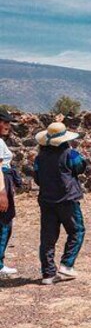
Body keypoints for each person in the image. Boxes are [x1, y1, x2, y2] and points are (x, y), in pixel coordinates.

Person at [33, 116, 88, 284]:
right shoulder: (70, 154)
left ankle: (48, 273)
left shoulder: (39, 157)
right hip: (67, 200)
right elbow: (81, 167)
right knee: (77, 231)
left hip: (47, 200)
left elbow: (37, 178)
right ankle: (66, 265)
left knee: (48, 238)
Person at [0, 108, 20, 278]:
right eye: (5, 122)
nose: (8, 125)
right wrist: (2, 192)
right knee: (5, 224)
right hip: (1, 183)